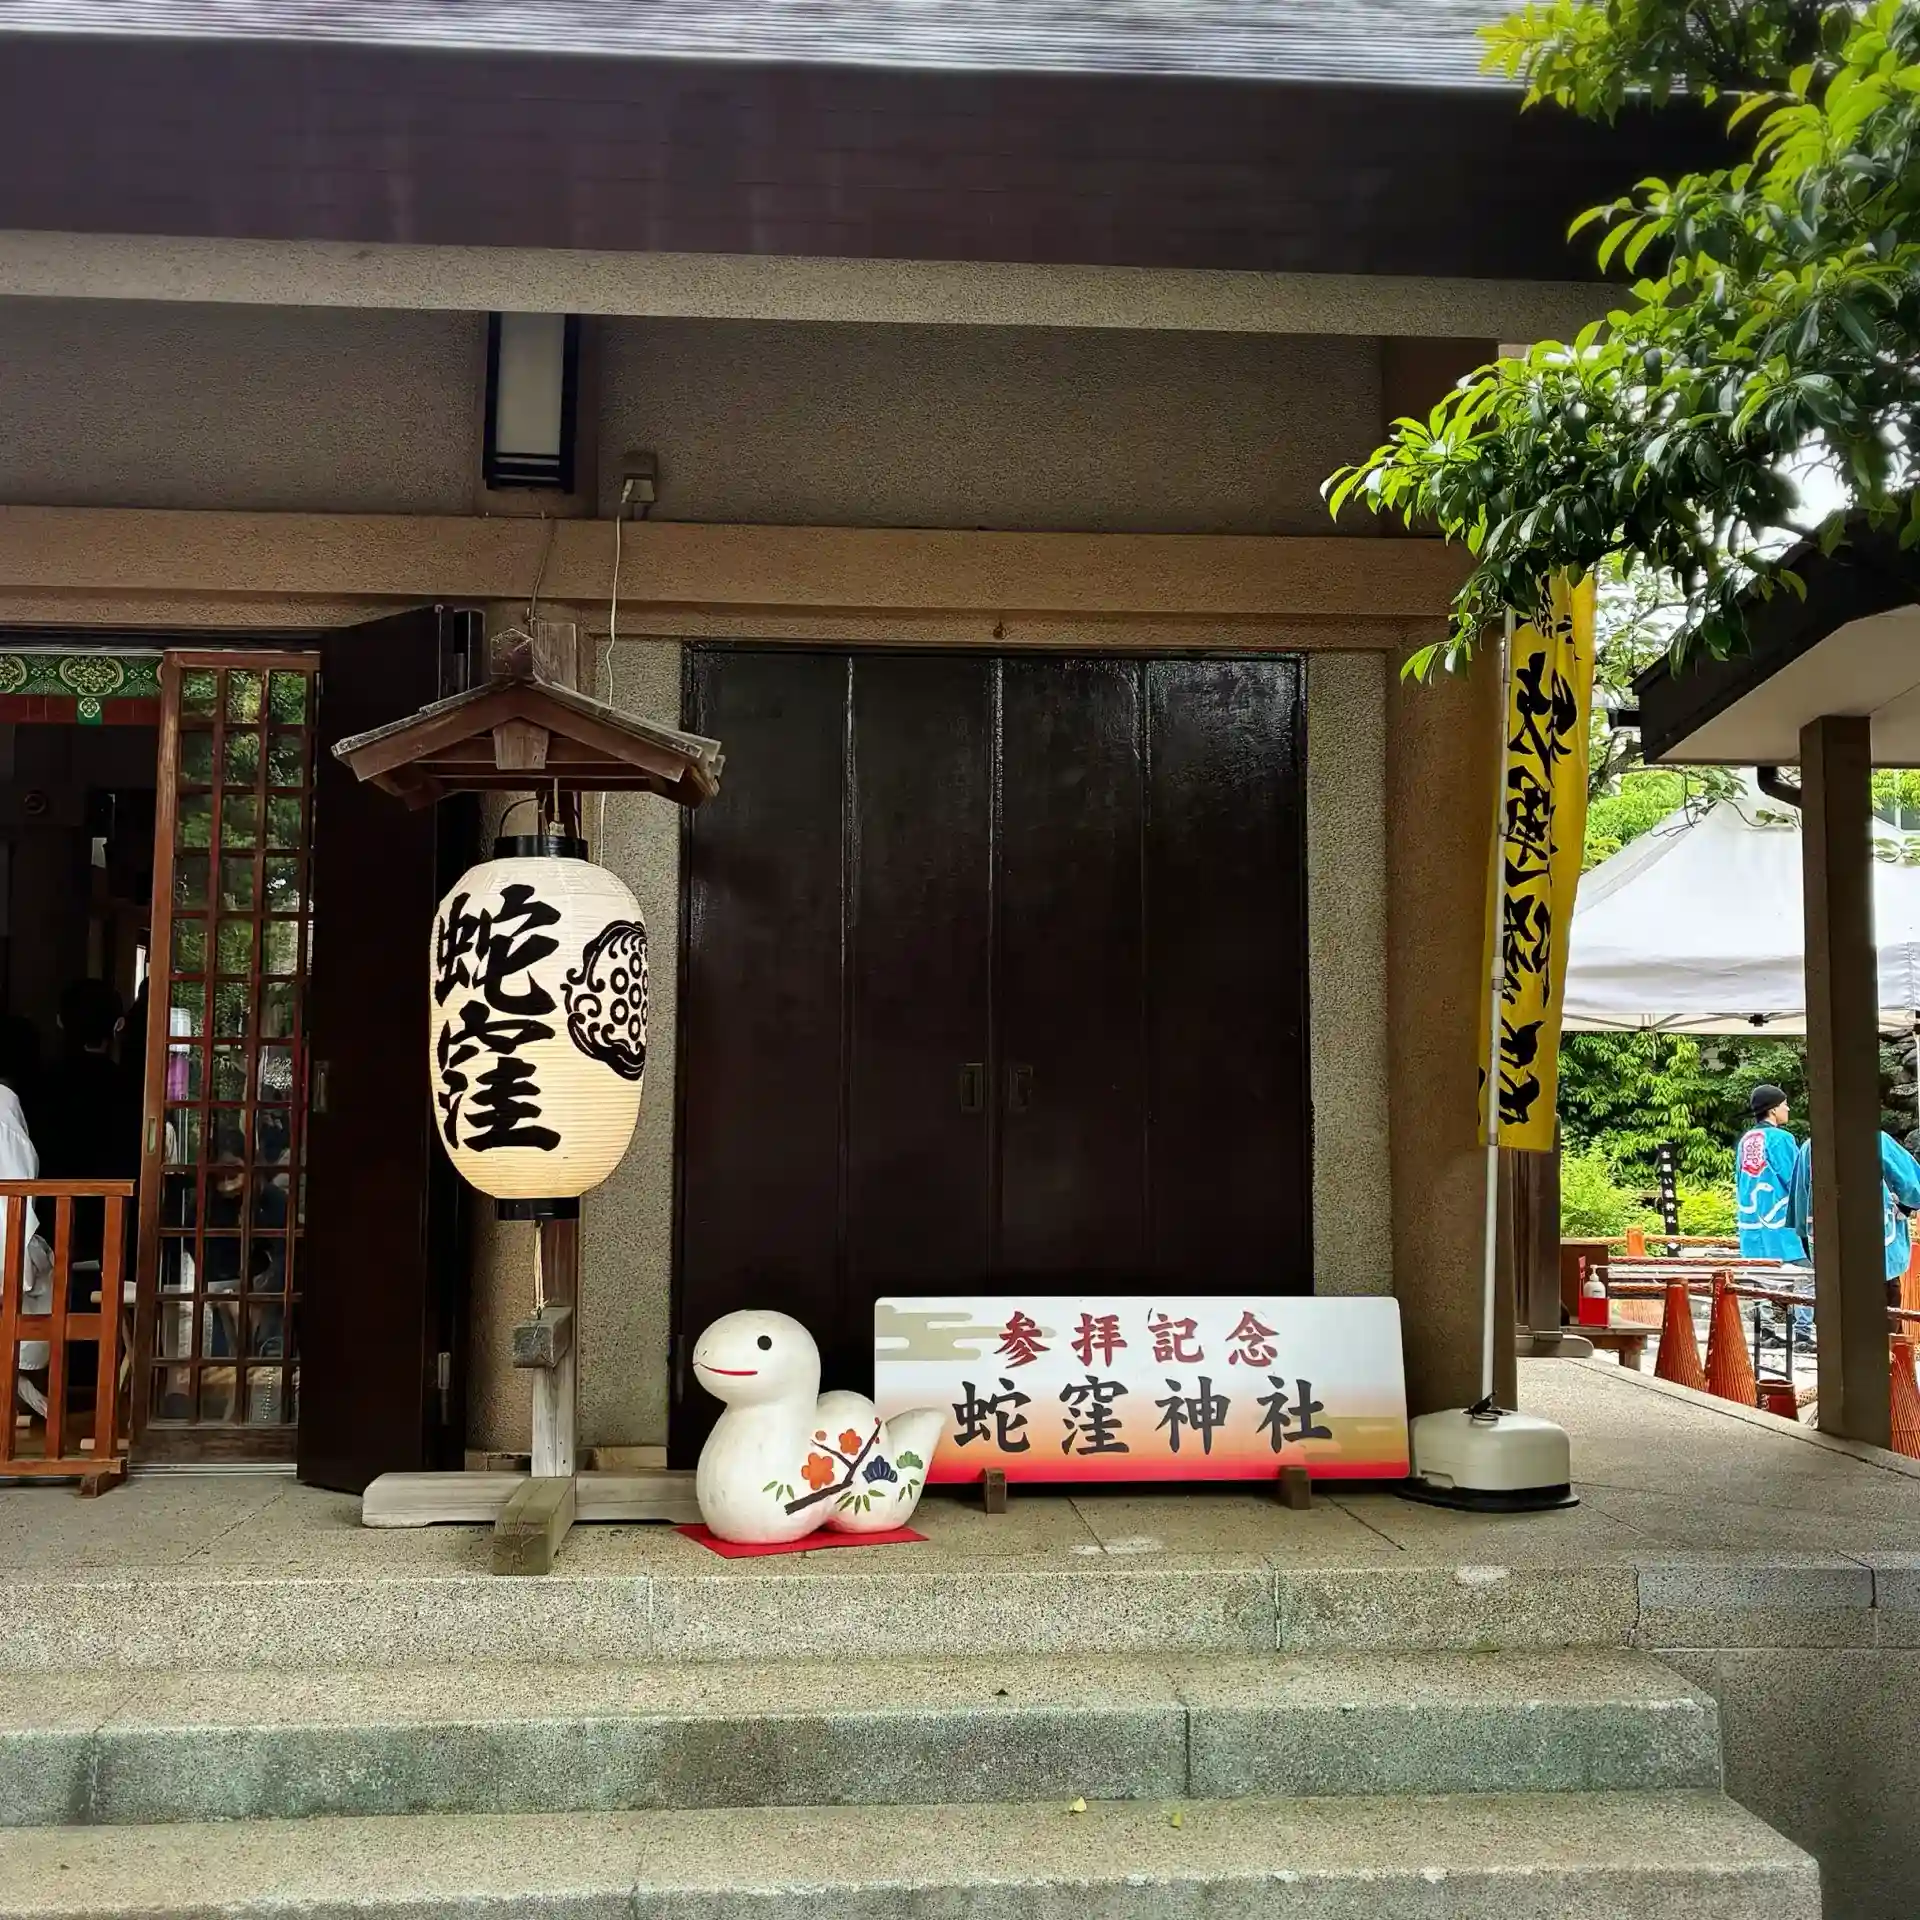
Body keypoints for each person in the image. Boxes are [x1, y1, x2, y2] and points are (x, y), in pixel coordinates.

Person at [34, 979, 140, 1269]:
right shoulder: (133, 1089)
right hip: (115, 1232)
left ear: (59, 1021)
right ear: (118, 1025)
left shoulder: (35, 1086)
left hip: (46, 1230)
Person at [1789, 1127, 1920, 1303]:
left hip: (1831, 1260)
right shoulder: (1876, 1139)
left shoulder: (1810, 1146)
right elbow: (1913, 1188)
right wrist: (1904, 1207)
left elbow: (1801, 1208)